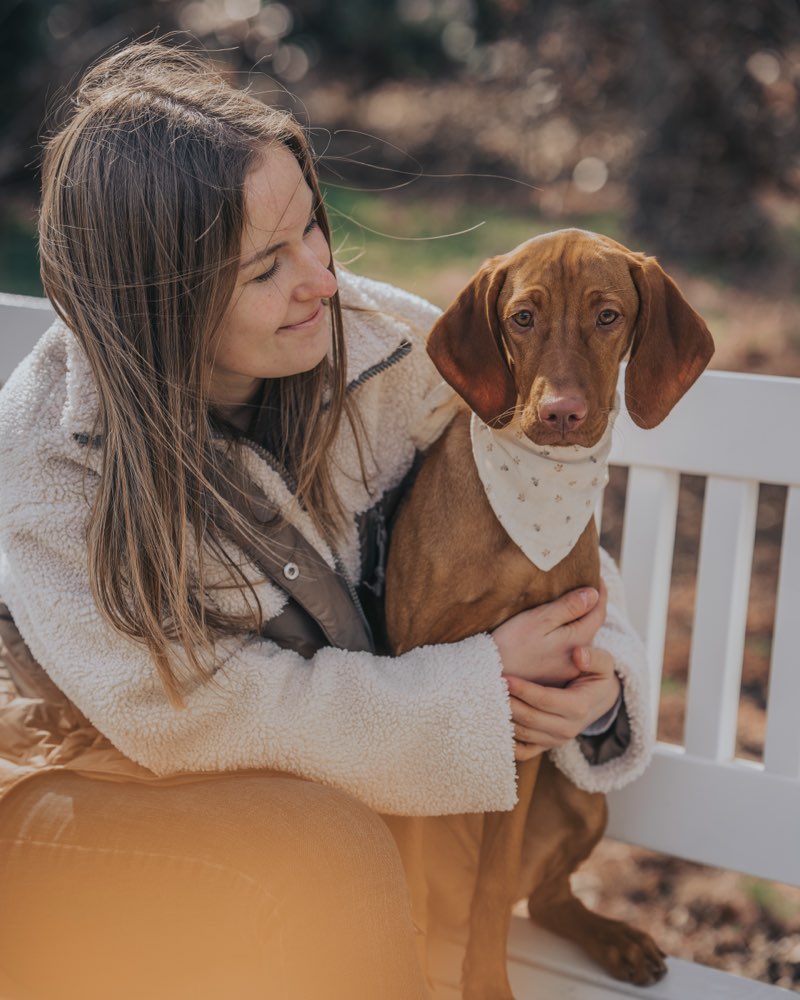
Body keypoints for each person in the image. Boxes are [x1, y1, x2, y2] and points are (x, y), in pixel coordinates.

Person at [0, 40, 653, 1000]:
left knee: (329, 854)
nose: (320, 279)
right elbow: (195, 720)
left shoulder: (381, 352)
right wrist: (474, 687)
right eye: (267, 265)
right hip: (73, 793)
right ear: (157, 305)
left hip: (295, 809)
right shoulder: (55, 460)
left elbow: (537, 515)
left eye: (314, 230)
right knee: (324, 852)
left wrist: (595, 680)